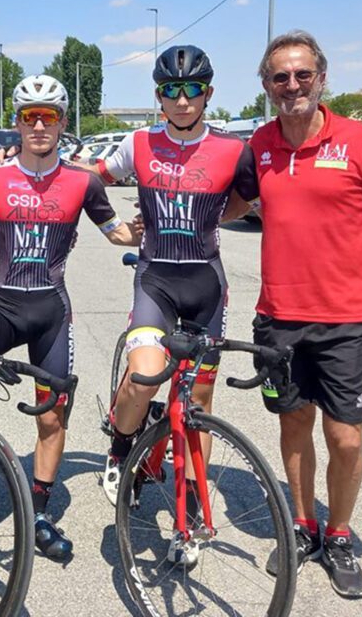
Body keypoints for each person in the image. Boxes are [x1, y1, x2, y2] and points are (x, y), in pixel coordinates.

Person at [0, 75, 140, 562]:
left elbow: (117, 233)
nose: (39, 126)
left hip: (50, 316)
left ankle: (39, 512)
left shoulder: (83, 181)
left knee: (52, 416)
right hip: (0, 308)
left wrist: (152, 228)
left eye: (49, 116)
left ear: (62, 123)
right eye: (29, 116)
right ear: (17, 124)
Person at [249, 30, 362, 599]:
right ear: (267, 85)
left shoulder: (360, 140)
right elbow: (226, 202)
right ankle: (303, 527)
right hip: (278, 317)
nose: (292, 85)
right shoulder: (260, 144)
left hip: (345, 319)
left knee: (345, 437)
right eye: (280, 77)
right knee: (294, 425)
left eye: (303, 74)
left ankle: (339, 534)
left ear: (322, 78)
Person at [90, 45, 258, 565]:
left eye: (192, 89)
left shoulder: (233, 149)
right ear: (158, 96)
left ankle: (189, 514)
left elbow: (245, 199)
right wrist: (115, 227)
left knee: (199, 404)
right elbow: (89, 180)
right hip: (156, 282)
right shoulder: (138, 142)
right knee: (144, 377)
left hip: (206, 284)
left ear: (208, 94)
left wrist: (212, 218)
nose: (182, 100)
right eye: (171, 90)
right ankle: (121, 448)